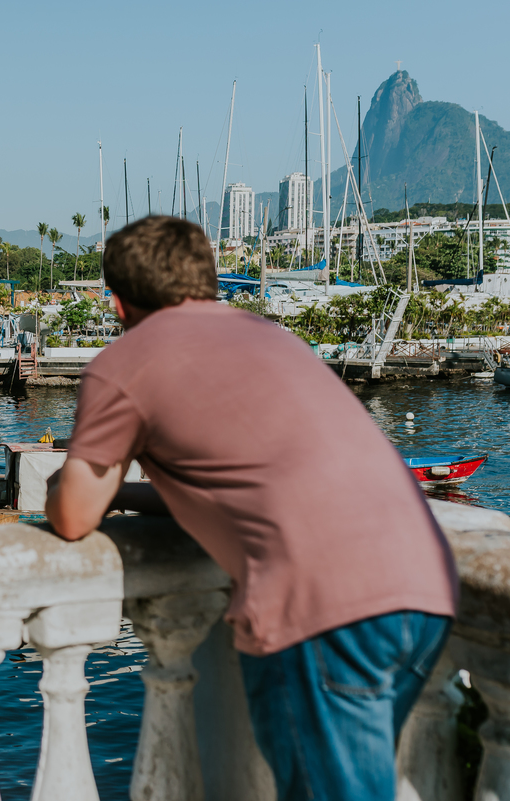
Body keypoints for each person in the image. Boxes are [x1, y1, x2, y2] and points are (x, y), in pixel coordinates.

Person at [45, 216, 456, 801]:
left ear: (117, 303)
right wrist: (131, 492)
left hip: (325, 609)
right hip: (425, 588)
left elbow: (74, 517)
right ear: (207, 281)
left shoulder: (126, 362)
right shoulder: (271, 337)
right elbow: (248, 482)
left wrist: (62, 481)